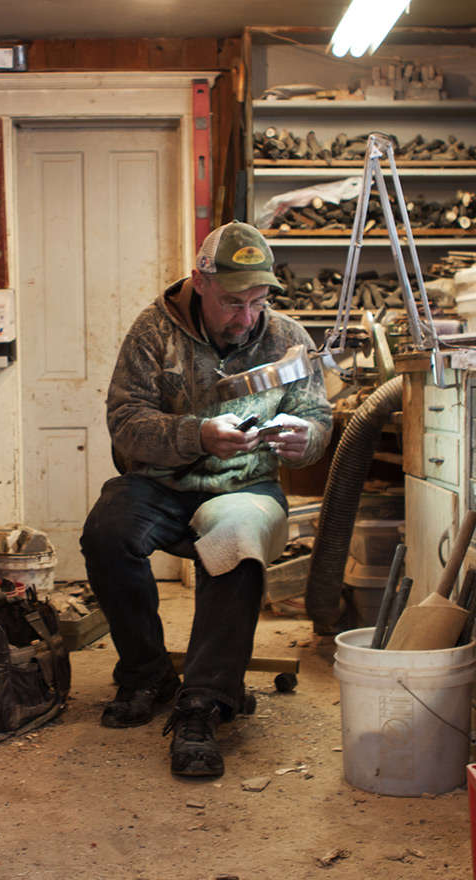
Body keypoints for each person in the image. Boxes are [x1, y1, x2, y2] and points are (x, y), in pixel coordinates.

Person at [81, 221, 333, 778]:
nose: (246, 317)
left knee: (235, 541)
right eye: (232, 302)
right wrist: (196, 435)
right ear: (200, 282)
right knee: (107, 531)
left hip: (244, 483)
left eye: (258, 300)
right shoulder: (154, 330)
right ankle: (146, 673)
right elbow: (125, 424)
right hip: (161, 481)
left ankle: (205, 701)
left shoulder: (289, 336)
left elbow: (318, 419)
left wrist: (304, 438)